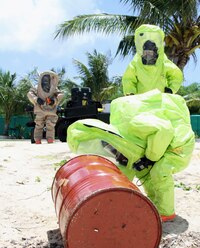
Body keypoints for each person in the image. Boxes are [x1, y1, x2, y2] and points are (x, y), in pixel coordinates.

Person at [66, 89, 195, 222]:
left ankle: (166, 212)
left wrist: (150, 158)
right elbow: (124, 171)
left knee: (159, 171)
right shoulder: (117, 144)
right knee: (143, 172)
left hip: (178, 143)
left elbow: (165, 129)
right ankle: (154, 203)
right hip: (160, 144)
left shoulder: (133, 124)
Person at [122, 24, 183, 95]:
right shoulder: (136, 62)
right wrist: (130, 92)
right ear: (142, 50)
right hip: (141, 102)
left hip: (160, 101)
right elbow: (128, 79)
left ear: (155, 51)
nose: (148, 55)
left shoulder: (163, 62)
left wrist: (171, 89)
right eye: (146, 52)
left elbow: (176, 75)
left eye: (150, 52)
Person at [27, 71, 64, 144]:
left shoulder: (54, 87)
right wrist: (36, 99)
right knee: (39, 124)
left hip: (51, 109)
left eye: (47, 78)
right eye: (45, 77)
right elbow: (29, 93)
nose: (46, 80)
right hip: (40, 109)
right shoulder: (37, 87)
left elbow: (61, 94)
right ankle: (37, 140)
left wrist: (54, 100)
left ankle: (50, 140)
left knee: (50, 125)